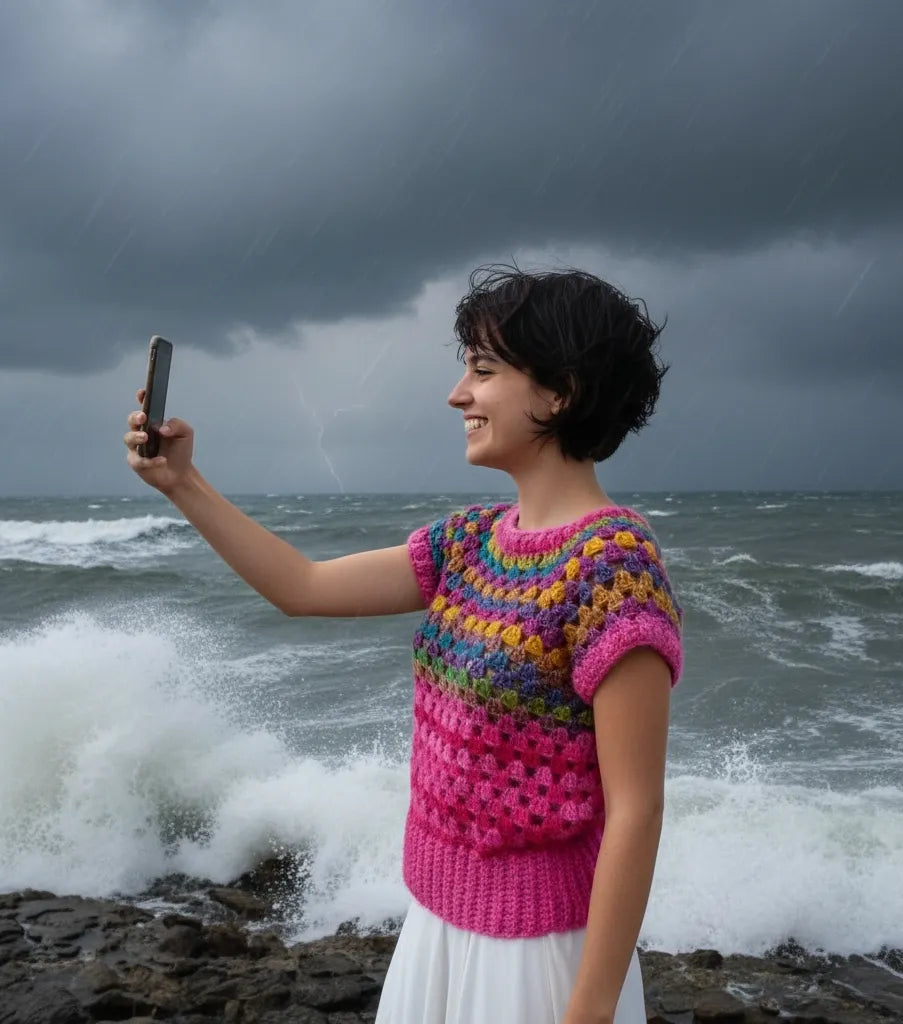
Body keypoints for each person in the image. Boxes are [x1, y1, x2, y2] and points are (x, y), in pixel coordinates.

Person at [123, 265, 684, 1024]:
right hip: (436, 931)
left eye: (484, 371)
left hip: (539, 957)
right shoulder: (471, 543)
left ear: (561, 392)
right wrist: (184, 485)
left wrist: (588, 1012)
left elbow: (636, 812)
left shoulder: (614, 567)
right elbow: (304, 588)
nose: (459, 394)